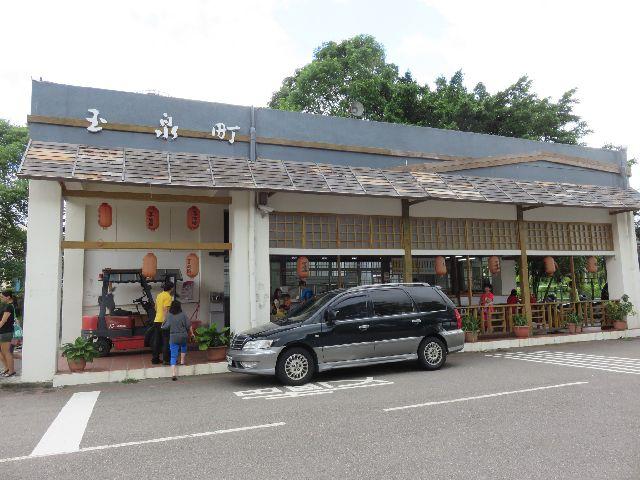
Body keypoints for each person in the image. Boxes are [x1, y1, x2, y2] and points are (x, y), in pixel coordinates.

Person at [161, 300, 193, 381]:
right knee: (183, 346)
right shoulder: (183, 314)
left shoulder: (169, 315)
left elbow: (165, 327)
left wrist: (163, 323)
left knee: (173, 355)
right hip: (183, 336)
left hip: (173, 337)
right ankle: (182, 361)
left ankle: (173, 374)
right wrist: (192, 333)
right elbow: (189, 325)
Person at [152, 281, 174, 365]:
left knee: (156, 340)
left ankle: (155, 359)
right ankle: (166, 360)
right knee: (166, 341)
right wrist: (165, 321)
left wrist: (159, 315)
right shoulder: (168, 296)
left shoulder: (159, 295)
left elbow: (155, 308)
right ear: (171, 288)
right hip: (163, 321)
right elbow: (166, 310)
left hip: (156, 320)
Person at [0, 291, 17, 378]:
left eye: (2, 297)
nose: (1, 298)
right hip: (3, 332)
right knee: (2, 352)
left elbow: (3, 321)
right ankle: (7, 368)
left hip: (6, 332)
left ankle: (11, 371)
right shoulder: (6, 306)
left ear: (8, 297)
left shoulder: (9, 306)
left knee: (7, 352)